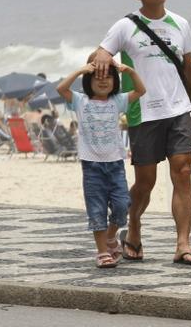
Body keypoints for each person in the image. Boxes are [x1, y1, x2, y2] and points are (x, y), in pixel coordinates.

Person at [91, 0, 191, 265]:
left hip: (178, 108)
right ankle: (134, 226)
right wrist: (102, 54)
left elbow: (189, 70)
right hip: (144, 113)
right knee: (146, 182)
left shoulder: (180, 23)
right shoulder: (125, 26)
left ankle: (183, 243)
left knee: (182, 172)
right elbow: (100, 54)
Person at [56, 61, 145, 268]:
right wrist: (79, 70)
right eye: (97, 77)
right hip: (92, 167)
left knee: (123, 204)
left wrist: (129, 70)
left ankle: (112, 237)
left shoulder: (118, 101)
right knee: (96, 210)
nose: (103, 81)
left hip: (115, 165)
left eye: (108, 77)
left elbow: (141, 90)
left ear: (115, 81)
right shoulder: (80, 101)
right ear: (88, 81)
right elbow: (61, 89)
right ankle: (103, 252)